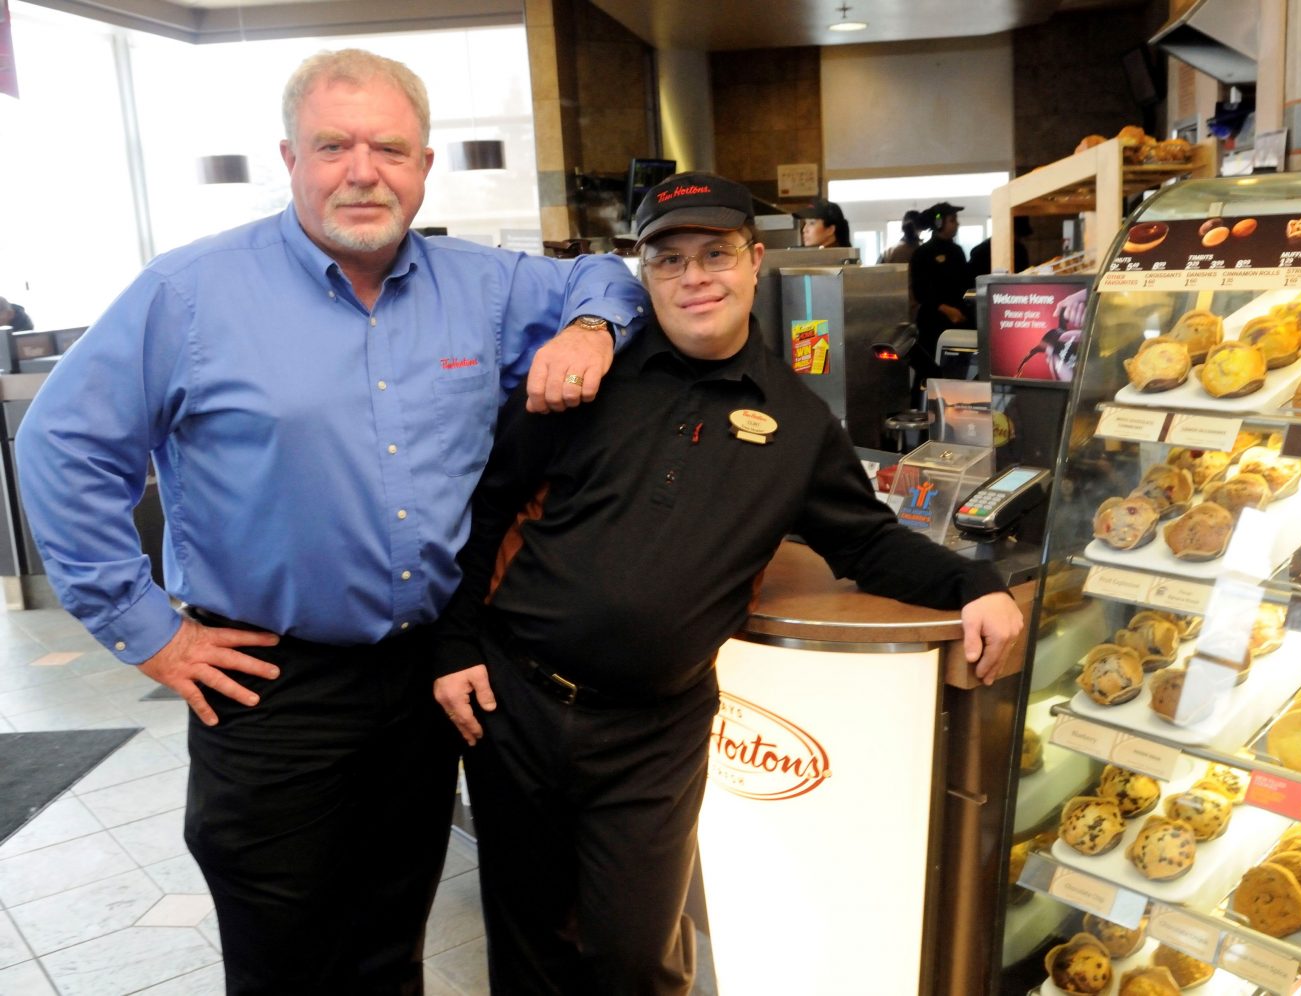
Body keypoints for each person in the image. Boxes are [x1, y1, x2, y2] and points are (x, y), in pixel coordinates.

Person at [16, 48, 647, 996]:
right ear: (290, 158)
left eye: (390, 148)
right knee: (286, 960)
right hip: (270, 682)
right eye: (333, 146)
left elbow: (614, 278)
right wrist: (148, 633)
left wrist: (592, 328)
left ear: (425, 167)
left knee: (392, 943)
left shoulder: (483, 288)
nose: (363, 171)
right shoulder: (189, 294)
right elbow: (61, 448)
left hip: (423, 682)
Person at [431, 171, 1024, 995]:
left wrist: (974, 584)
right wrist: (456, 645)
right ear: (646, 276)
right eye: (669, 260)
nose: (695, 276)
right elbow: (485, 508)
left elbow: (867, 542)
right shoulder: (583, 379)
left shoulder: (797, 420)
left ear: (753, 263)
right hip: (516, 704)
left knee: (634, 956)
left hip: (652, 733)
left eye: (716, 254)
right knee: (529, 940)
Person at [908, 200, 972, 399]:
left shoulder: (958, 251)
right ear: (939, 223)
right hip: (933, 324)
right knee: (930, 373)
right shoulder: (923, 253)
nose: (957, 224)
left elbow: (965, 284)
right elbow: (921, 291)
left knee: (956, 374)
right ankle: (922, 418)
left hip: (958, 323)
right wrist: (945, 309)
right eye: (952, 220)